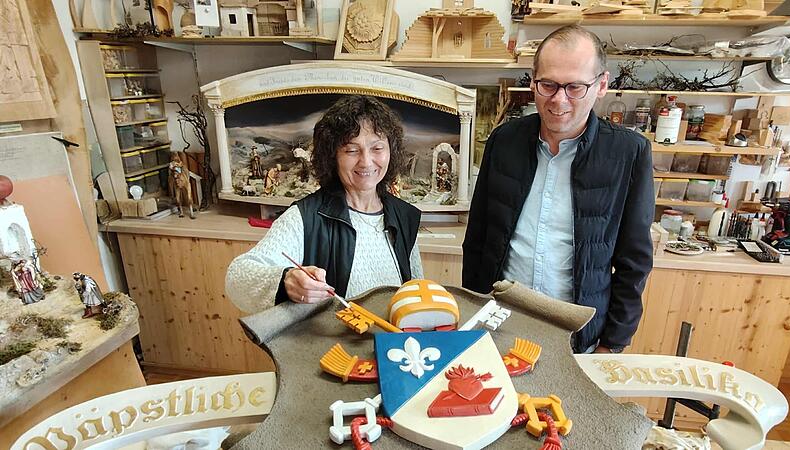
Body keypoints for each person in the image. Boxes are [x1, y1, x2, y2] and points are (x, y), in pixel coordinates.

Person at [462, 25, 654, 354]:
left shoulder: (628, 153)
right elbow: (478, 238)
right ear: (533, 80)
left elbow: (634, 262)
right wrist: (472, 314)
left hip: (575, 337)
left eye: (575, 87)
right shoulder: (503, 141)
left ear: (601, 85)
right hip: (499, 328)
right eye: (547, 84)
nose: (558, 100)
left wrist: (613, 343)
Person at [226, 95, 423, 313]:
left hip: (393, 343)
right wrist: (286, 280)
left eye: (377, 148)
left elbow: (416, 292)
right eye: (351, 150)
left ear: (391, 152)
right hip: (332, 346)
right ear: (332, 156)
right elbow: (237, 277)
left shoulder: (405, 216)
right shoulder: (305, 217)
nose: (366, 161)